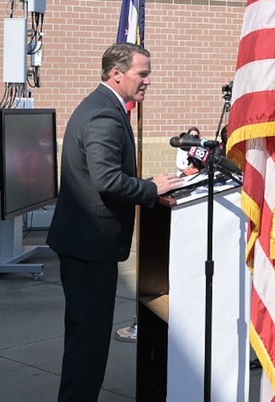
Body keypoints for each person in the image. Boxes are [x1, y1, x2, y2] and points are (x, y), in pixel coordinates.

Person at [46, 43, 184, 402]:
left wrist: (148, 189)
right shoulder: (104, 114)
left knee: (86, 339)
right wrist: (150, 189)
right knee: (87, 342)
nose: (148, 81)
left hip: (86, 244)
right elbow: (106, 178)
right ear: (116, 73)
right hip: (89, 246)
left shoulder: (104, 106)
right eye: (142, 73)